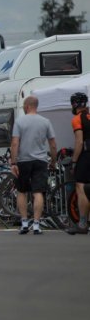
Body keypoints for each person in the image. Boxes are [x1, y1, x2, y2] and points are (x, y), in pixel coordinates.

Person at [10, 95, 56, 235]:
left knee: (22, 191)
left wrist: (13, 162)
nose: (24, 108)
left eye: (24, 106)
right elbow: (53, 144)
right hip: (41, 161)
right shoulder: (46, 122)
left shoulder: (19, 121)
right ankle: (36, 225)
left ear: (28, 106)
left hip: (23, 161)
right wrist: (53, 161)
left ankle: (24, 223)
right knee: (38, 192)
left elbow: (15, 143)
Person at [67, 92, 90, 235]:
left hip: (86, 155)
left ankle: (82, 223)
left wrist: (74, 161)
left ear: (74, 104)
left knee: (81, 187)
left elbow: (79, 141)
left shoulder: (77, 119)